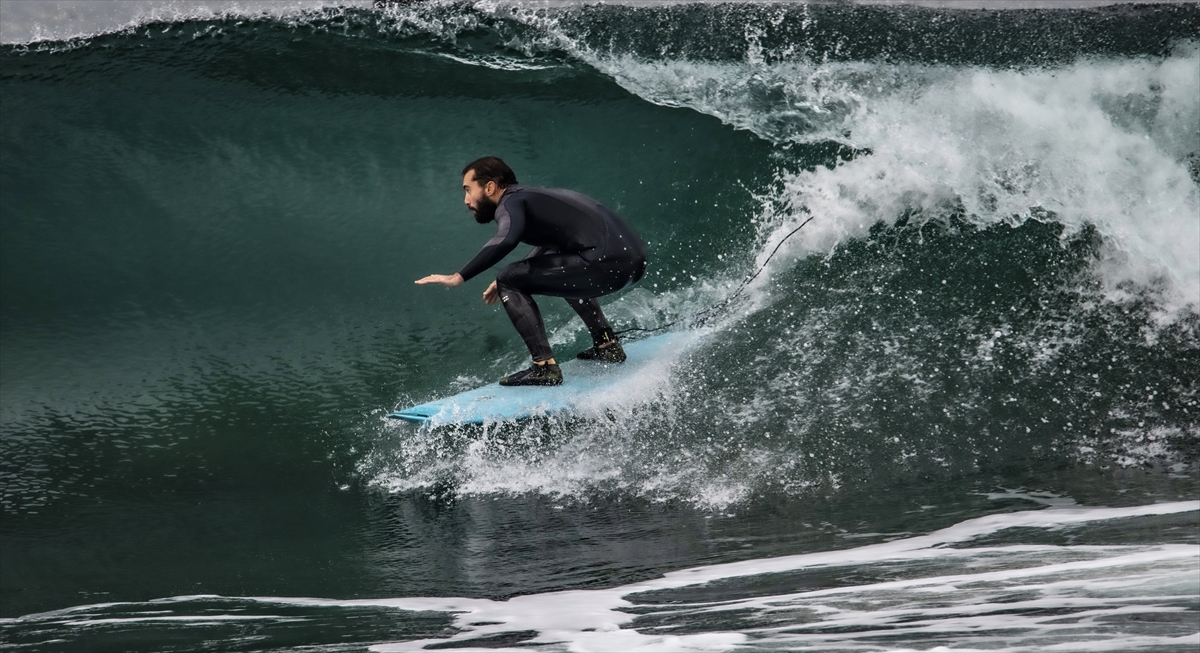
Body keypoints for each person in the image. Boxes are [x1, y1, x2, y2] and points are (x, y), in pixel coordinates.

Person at [416, 156, 647, 386]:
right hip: (630, 262)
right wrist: (515, 277)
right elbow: (550, 242)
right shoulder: (530, 196)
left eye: (468, 190)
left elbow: (506, 238)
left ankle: (544, 367)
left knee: (508, 276)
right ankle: (607, 345)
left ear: (490, 186)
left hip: (604, 261)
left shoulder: (509, 202)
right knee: (561, 274)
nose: (466, 200)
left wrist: (459, 276)